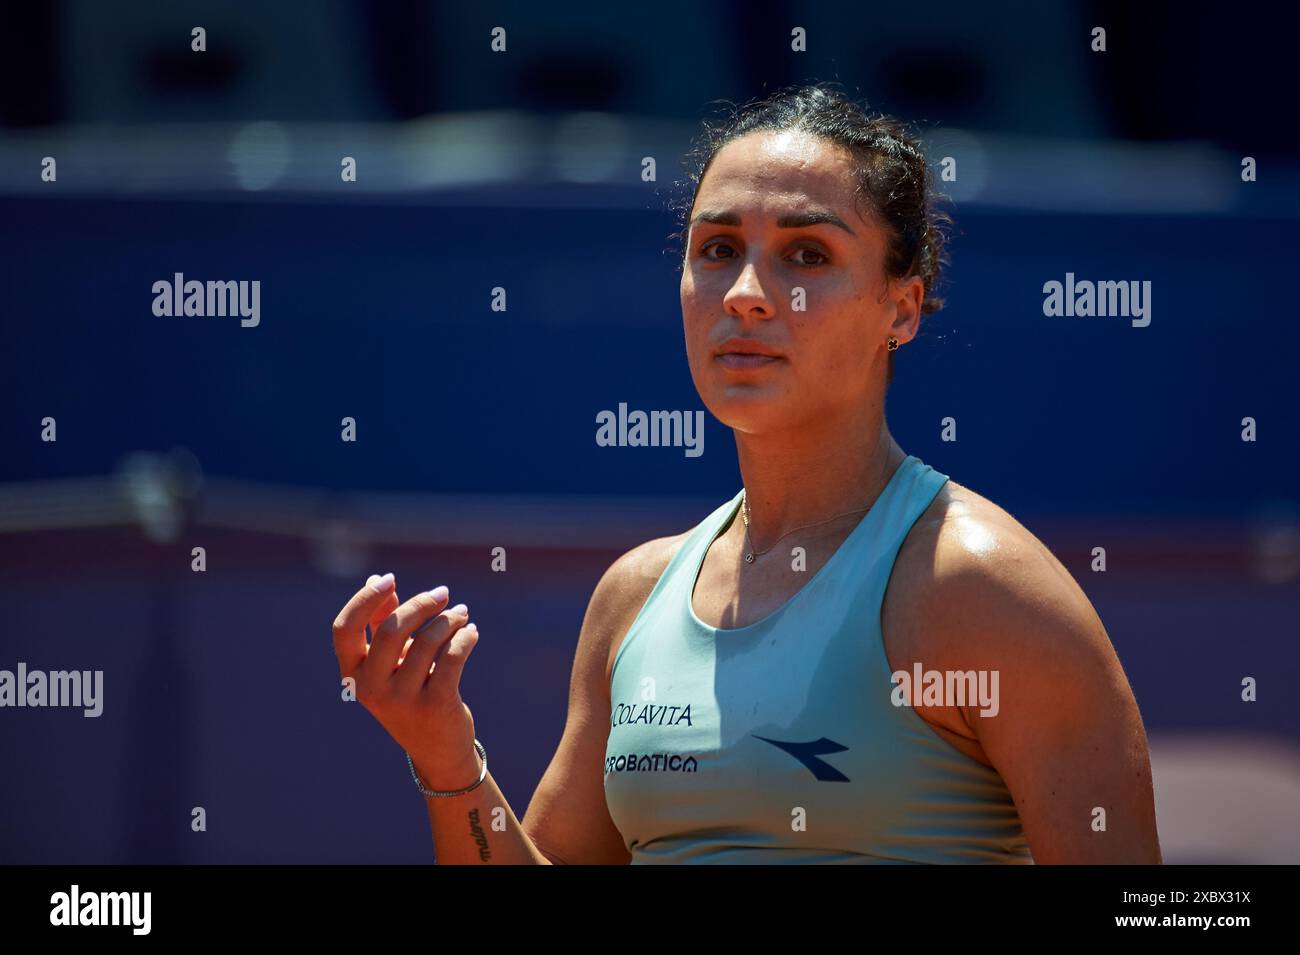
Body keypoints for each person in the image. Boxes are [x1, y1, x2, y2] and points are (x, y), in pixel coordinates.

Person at [331, 83, 1162, 864]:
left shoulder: (980, 584)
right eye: (719, 249)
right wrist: (446, 754)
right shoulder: (634, 597)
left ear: (900, 307)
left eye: (806, 254)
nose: (748, 293)